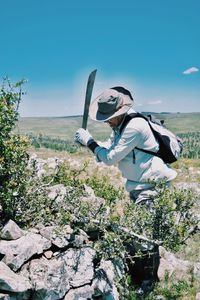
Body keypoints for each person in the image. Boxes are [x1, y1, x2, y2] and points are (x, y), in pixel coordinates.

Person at [74, 86, 177, 296]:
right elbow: (111, 149)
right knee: (142, 232)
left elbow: (111, 157)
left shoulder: (134, 126)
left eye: (109, 117)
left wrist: (90, 142)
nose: (107, 121)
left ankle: (148, 283)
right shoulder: (121, 126)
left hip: (152, 187)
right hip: (139, 186)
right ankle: (141, 276)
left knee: (145, 236)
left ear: (119, 112)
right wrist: (91, 144)